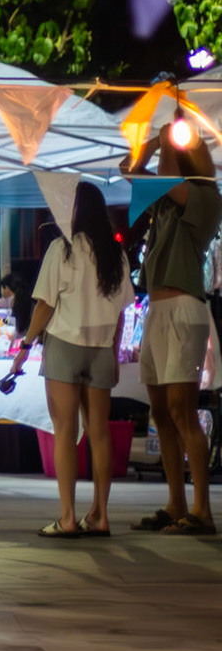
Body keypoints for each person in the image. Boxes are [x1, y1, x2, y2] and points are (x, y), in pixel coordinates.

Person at [8, 181, 133, 538]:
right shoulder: (116, 255)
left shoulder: (61, 249)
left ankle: (67, 518)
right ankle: (101, 515)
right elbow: (123, 310)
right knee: (100, 434)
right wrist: (113, 349)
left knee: (64, 432)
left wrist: (25, 346)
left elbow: (45, 305)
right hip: (101, 349)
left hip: (64, 345)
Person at [125, 125, 219, 535]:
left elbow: (164, 178)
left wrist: (170, 141)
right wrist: (148, 143)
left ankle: (202, 511)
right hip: (158, 311)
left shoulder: (205, 197)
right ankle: (176, 503)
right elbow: (128, 168)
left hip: (184, 308)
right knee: (160, 411)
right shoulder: (164, 202)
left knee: (183, 410)